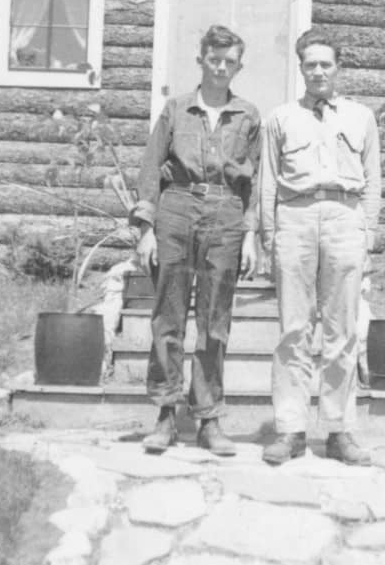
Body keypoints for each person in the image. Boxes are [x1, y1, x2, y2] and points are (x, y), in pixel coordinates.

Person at [130, 25, 261, 457]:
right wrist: (146, 228)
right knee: (168, 316)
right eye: (213, 59)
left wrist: (249, 235)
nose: (221, 67)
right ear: (200, 60)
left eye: (229, 61)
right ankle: (166, 415)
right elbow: (151, 169)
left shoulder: (248, 115)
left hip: (225, 213)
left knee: (214, 321)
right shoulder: (175, 109)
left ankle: (207, 419)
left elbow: (255, 182)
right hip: (176, 207)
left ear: (240, 65)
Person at [258, 28, 381, 466]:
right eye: (310, 64)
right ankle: (290, 430)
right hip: (295, 218)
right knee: (294, 329)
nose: (318, 71)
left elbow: (372, 180)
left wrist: (367, 234)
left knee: (342, 331)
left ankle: (338, 430)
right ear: (301, 68)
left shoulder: (361, 117)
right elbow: (268, 181)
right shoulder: (280, 118)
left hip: (345, 218)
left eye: (326, 63)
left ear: (338, 67)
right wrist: (269, 234)